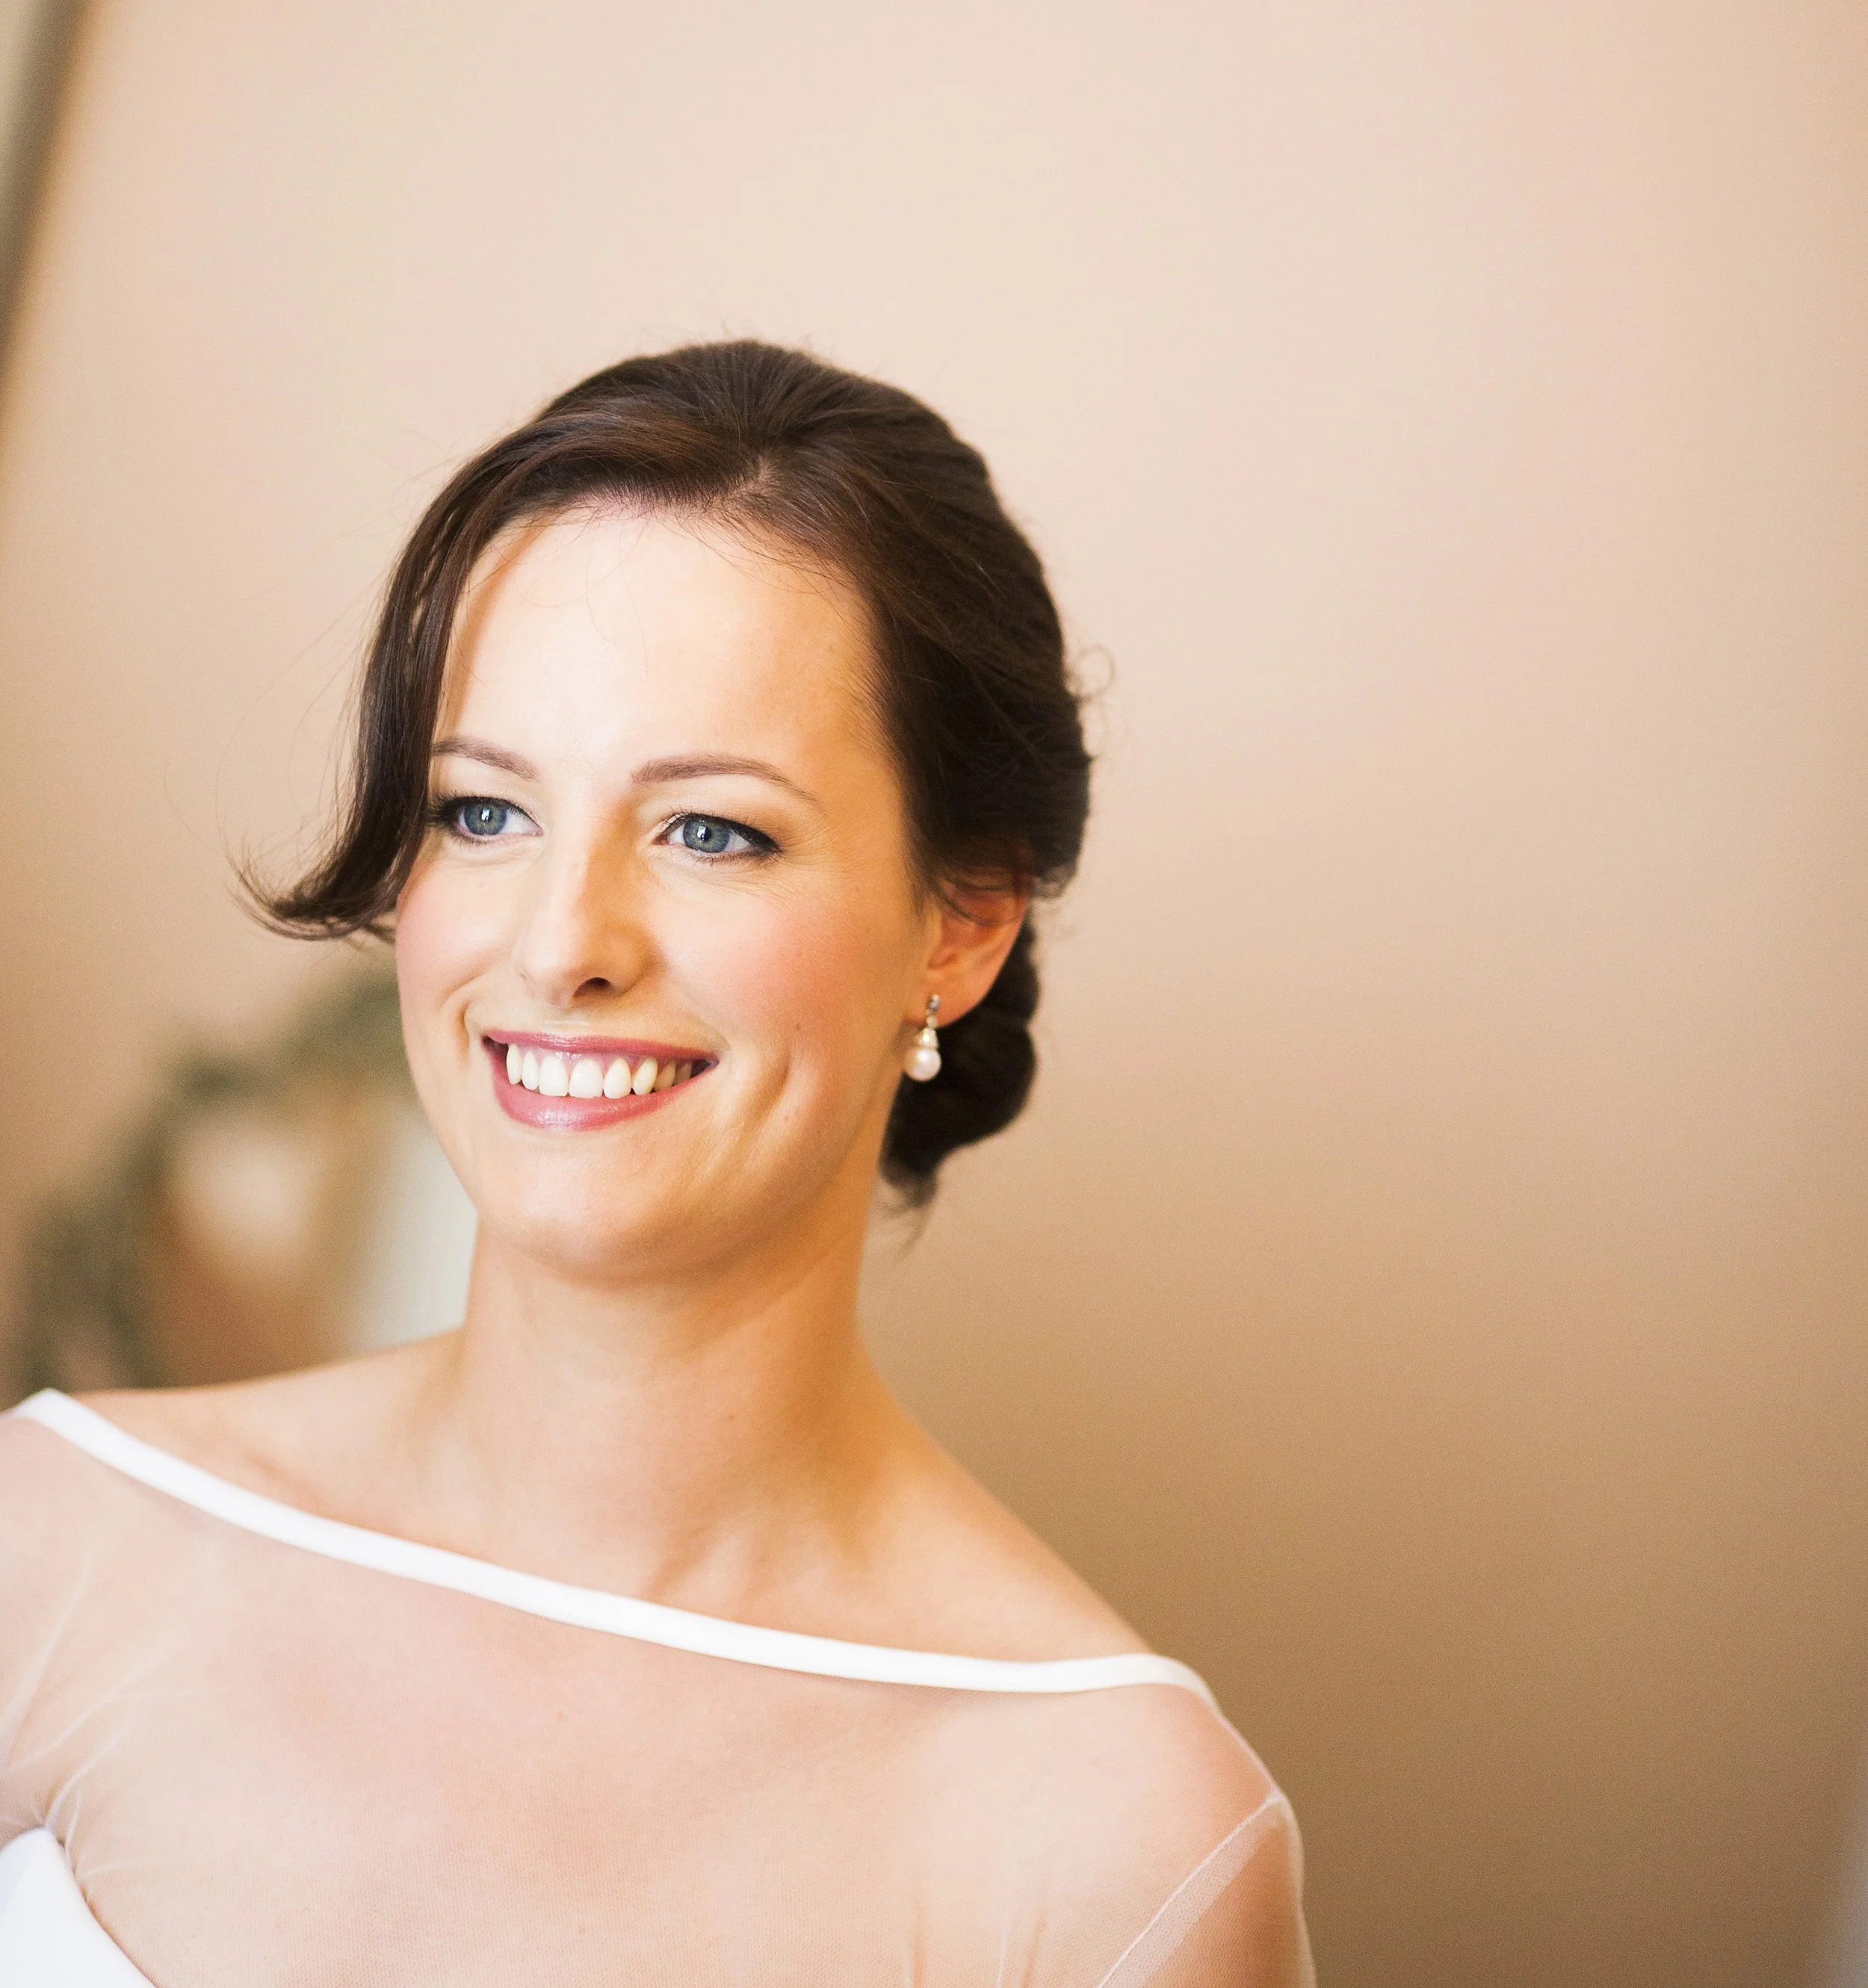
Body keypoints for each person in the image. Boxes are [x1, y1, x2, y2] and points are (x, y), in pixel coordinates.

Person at [0, 341, 1314, 1984]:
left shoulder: (1119, 1850)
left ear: (962, 918)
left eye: (711, 829)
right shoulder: (48, 1538)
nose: (562, 945)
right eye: (483, 810)